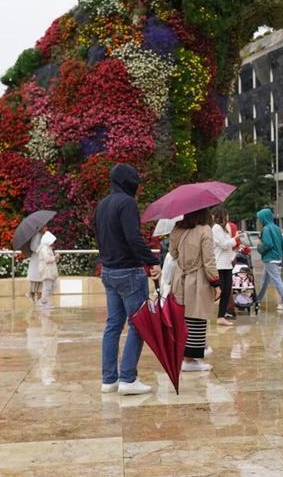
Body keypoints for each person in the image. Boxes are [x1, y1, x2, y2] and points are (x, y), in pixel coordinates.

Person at [95, 163, 160, 396]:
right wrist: (152, 261)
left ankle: (109, 379)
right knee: (138, 324)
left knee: (113, 325)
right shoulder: (127, 203)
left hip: (109, 271)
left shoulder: (102, 205)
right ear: (128, 181)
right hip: (129, 272)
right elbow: (133, 238)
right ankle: (128, 379)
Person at [170, 208, 222, 373]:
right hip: (198, 279)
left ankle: (184, 356)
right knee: (197, 317)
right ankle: (190, 359)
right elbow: (209, 260)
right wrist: (216, 283)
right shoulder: (204, 230)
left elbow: (173, 253)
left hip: (180, 279)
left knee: (183, 318)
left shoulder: (177, 229)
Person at [254, 208, 283, 312]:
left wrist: (259, 246)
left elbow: (268, 244)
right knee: (264, 281)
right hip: (276, 258)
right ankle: (257, 300)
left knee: (276, 280)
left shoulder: (266, 229)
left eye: (260, 218)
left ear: (264, 218)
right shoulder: (276, 228)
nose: (259, 220)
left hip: (270, 258)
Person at [211, 207, 238, 325]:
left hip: (227, 263)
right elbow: (223, 245)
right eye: (225, 215)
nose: (227, 218)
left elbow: (228, 245)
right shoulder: (216, 228)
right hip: (219, 264)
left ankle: (221, 316)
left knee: (227, 290)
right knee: (220, 291)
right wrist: (235, 239)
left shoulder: (225, 228)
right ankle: (217, 314)